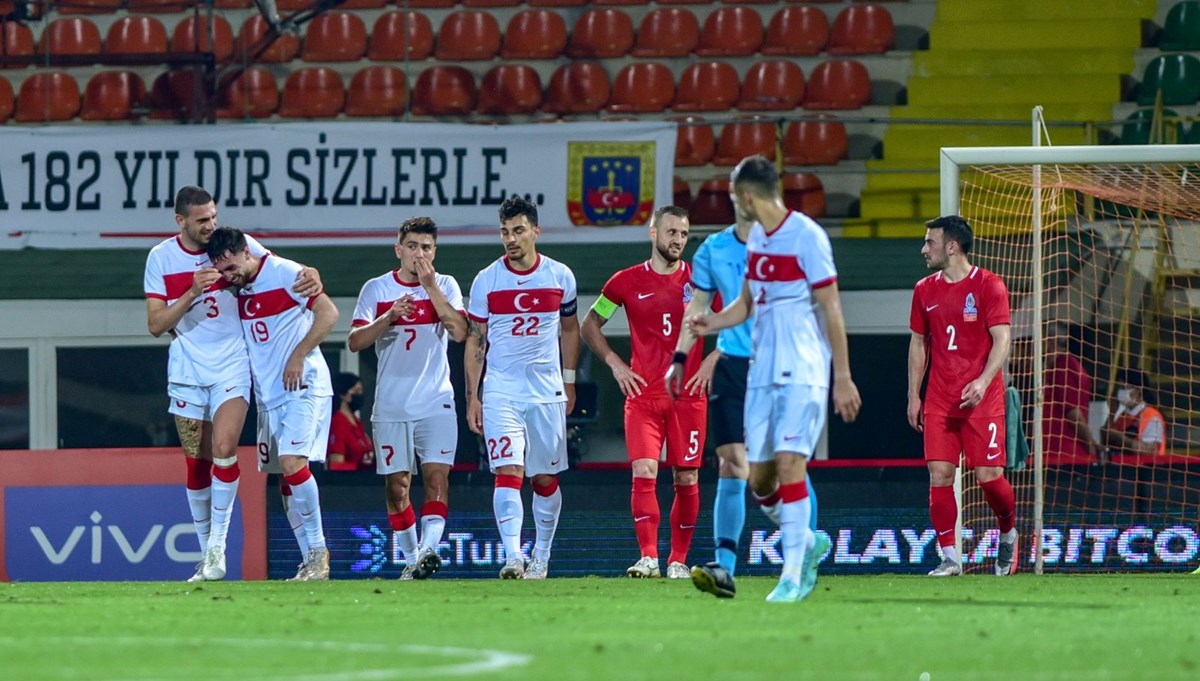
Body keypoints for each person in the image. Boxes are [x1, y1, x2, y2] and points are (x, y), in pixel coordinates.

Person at [686, 155, 861, 603]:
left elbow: (832, 308)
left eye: (731, 195)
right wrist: (712, 322)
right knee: (760, 481)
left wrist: (842, 376)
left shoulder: (807, 236)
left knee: (790, 464)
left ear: (745, 196)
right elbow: (746, 303)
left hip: (802, 367)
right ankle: (804, 538)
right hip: (761, 370)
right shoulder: (759, 238)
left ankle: (792, 574)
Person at [143, 186, 320, 583]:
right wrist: (192, 290)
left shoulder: (232, 245)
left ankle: (217, 551)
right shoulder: (160, 258)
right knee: (196, 463)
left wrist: (311, 273)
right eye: (202, 220)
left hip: (233, 366)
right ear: (180, 221)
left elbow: (277, 268)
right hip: (187, 369)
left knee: (224, 450)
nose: (211, 226)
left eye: (213, 217)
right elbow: (156, 325)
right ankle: (206, 554)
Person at [668, 214, 823, 585]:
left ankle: (804, 549)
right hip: (734, 367)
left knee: (780, 469)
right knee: (731, 464)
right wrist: (680, 358)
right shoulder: (713, 249)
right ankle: (725, 567)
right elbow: (699, 309)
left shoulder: (790, 242)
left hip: (779, 365)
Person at [581, 206, 711, 579]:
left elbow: (739, 321)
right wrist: (615, 364)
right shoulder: (625, 281)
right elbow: (590, 324)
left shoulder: (702, 281)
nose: (678, 241)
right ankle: (649, 556)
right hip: (643, 396)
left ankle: (678, 561)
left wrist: (712, 361)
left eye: (684, 235)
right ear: (652, 233)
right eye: (671, 232)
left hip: (688, 396)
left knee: (686, 477)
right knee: (644, 470)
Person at [206, 226, 339, 581]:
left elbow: (328, 313)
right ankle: (309, 561)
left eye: (232, 268)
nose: (228, 277)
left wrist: (299, 353)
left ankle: (318, 552)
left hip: (303, 385)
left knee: (293, 462)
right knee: (284, 480)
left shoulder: (284, 273)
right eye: (222, 272)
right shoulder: (239, 285)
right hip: (270, 397)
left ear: (246, 252)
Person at [465, 195, 580, 580]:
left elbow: (569, 329)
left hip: (546, 391)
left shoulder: (560, 276)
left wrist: (569, 380)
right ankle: (513, 557)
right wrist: (473, 396)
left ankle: (541, 557)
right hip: (501, 390)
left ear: (535, 231)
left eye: (518, 230)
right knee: (508, 471)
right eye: (504, 232)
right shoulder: (486, 279)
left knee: (544, 478)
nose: (510, 239)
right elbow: (475, 340)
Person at [348, 217, 467, 580]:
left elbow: (461, 332)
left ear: (435, 252)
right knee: (397, 486)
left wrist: (432, 289)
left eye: (426, 247)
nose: (419, 253)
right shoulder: (377, 288)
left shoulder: (445, 284)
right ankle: (412, 559)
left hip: (436, 401)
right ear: (399, 250)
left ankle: (429, 550)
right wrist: (389, 316)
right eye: (412, 246)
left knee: (436, 478)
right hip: (391, 405)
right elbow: (355, 342)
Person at [908, 215, 1019, 578]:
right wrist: (914, 394)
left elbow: (1002, 340)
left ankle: (1007, 531)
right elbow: (919, 344)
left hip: (981, 398)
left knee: (989, 477)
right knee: (939, 474)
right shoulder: (924, 289)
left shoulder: (989, 286)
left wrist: (985, 381)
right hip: (940, 397)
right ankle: (951, 558)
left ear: (951, 246)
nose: (924, 249)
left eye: (930, 242)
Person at [1043, 322, 1099, 466]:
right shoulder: (1070, 366)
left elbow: (1074, 414)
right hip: (1062, 454)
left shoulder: (1063, 366)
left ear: (1051, 341)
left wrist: (1091, 448)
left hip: (1063, 456)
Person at [1104, 372, 1167, 457]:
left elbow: (1148, 451)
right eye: (1119, 388)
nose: (1120, 393)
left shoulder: (1152, 416)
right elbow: (1106, 438)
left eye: (1124, 388)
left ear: (1138, 390)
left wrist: (1120, 437)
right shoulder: (1122, 417)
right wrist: (1111, 413)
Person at [327, 372, 374, 471]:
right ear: (342, 394)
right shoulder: (338, 423)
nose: (359, 395)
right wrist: (359, 468)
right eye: (356, 391)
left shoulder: (356, 422)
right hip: (350, 483)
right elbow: (336, 464)